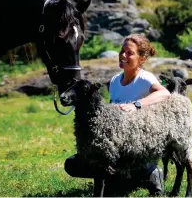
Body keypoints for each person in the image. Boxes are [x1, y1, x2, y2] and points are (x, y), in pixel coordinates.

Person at [64, 34, 170, 195]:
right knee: (73, 164)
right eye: (122, 51)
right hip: (117, 147)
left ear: (141, 59)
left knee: (116, 176)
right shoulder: (114, 81)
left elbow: (165, 93)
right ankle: (122, 178)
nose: (123, 55)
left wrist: (136, 105)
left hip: (139, 148)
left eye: (130, 53)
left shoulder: (145, 78)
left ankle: (150, 173)